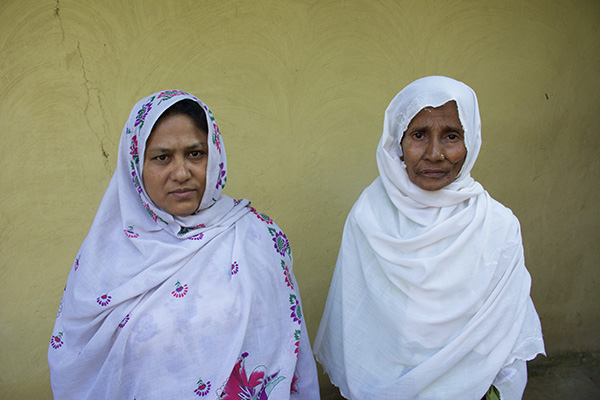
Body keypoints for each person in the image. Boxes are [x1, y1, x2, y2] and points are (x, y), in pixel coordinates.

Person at [48, 90, 320, 400]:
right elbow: (79, 361)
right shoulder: (104, 257)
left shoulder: (258, 236)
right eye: (162, 157)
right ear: (135, 165)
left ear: (214, 155)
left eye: (195, 154)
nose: (181, 173)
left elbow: (285, 346)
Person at [313, 76, 545, 400]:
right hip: (383, 386)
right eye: (419, 135)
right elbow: (358, 333)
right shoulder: (369, 217)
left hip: (474, 386)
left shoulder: (497, 224)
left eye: (451, 136)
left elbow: (504, 334)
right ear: (398, 140)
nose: (435, 154)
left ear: (471, 141)